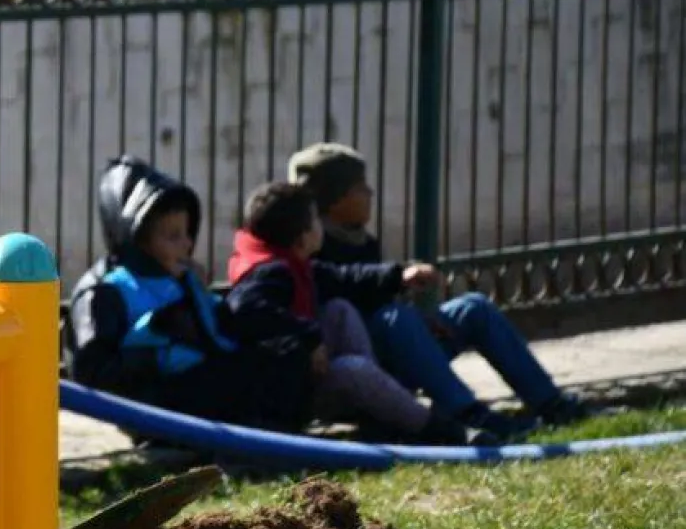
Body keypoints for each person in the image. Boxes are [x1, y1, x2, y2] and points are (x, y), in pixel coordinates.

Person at [289, 142, 592, 433]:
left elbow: (376, 296)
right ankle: (466, 414)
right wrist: (398, 278)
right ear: (334, 199)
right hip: (356, 366)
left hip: (397, 350)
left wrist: (422, 322)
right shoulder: (304, 243)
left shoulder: (358, 238)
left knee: (473, 308)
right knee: (395, 318)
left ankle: (553, 404)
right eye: (359, 188)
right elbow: (337, 281)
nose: (370, 193)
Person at [63, 155, 312, 432]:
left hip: (204, 374)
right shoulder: (104, 290)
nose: (187, 244)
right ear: (139, 240)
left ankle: (274, 434)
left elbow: (220, 331)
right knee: (227, 381)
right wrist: (157, 348)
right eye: (172, 236)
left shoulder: (181, 278)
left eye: (187, 234)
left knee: (286, 353)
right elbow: (93, 373)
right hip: (154, 400)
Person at [224, 182, 472, 444]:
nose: (321, 224)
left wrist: (399, 275)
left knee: (339, 310)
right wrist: (309, 338)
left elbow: (346, 277)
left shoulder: (294, 265)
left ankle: (380, 415)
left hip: (297, 373)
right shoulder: (269, 273)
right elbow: (244, 308)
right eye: (315, 219)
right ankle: (438, 430)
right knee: (354, 370)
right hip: (285, 394)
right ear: (301, 237)